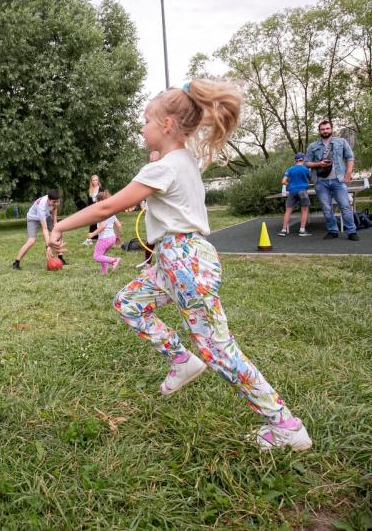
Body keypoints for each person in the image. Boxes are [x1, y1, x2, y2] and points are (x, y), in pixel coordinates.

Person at [48, 79, 311, 451]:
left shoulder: (164, 167)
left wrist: (58, 224)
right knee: (129, 303)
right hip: (173, 261)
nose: (142, 128)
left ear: (168, 125)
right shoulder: (182, 161)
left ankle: (286, 426)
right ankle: (181, 359)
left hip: (183, 263)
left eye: (147, 121)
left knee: (218, 349)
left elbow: (108, 206)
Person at [305, 120, 358, 241]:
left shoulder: (341, 142)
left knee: (345, 206)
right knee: (327, 208)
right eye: (322, 129)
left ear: (331, 129)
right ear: (319, 131)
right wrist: (319, 164)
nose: (325, 131)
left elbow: (350, 157)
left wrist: (348, 173)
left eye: (327, 128)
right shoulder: (312, 146)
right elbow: (306, 163)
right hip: (321, 181)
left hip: (338, 180)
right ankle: (333, 231)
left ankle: (351, 231)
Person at [11, 189, 66, 270]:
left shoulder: (54, 200)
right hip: (33, 218)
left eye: (58, 201)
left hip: (46, 216)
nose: (56, 203)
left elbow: (54, 209)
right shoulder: (41, 206)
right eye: (54, 202)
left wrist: (55, 223)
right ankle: (16, 263)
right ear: (49, 199)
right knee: (31, 241)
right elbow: (45, 229)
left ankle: (61, 258)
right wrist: (48, 246)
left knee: (59, 232)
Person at [85, 190, 122, 274]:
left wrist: (92, 234)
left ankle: (114, 260)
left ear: (100, 201)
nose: (95, 203)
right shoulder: (111, 212)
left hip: (104, 238)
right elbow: (119, 225)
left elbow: (102, 226)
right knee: (102, 255)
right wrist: (118, 237)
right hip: (112, 238)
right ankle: (104, 272)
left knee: (97, 256)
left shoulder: (101, 213)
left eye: (96, 201)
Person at [277, 153, 312, 237]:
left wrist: (290, 184)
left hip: (292, 191)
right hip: (302, 191)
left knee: (288, 211)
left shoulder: (289, 169)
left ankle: (283, 230)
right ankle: (302, 231)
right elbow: (310, 179)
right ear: (303, 160)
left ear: (295, 160)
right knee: (304, 210)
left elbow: (283, 182)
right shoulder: (306, 169)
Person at [83, 174, 101, 246]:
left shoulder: (101, 189)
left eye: (96, 180)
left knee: (99, 224)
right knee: (92, 223)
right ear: (91, 181)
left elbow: (104, 199)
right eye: (93, 180)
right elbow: (89, 201)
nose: (95, 181)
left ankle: (100, 239)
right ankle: (89, 239)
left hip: (100, 208)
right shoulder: (90, 190)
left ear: (98, 181)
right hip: (92, 208)